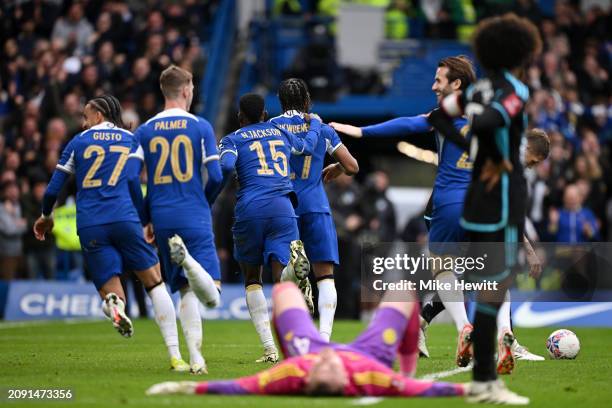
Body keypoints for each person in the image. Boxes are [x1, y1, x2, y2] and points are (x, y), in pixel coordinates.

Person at [331, 56, 478, 365]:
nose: (433, 85)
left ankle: (463, 325)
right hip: (484, 201)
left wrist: (360, 132)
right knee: (490, 270)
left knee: (444, 269)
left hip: (449, 201)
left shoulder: (445, 115)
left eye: (439, 80)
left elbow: (409, 124)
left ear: (457, 84)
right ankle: (503, 332)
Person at [428, 13, 542, 404]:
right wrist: (491, 150)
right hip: (503, 195)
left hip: (474, 196)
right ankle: (486, 377)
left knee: (484, 283)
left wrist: (466, 148)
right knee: (496, 284)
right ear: (520, 51)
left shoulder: (473, 93)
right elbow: (497, 116)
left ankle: (484, 374)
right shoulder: (514, 89)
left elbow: (440, 117)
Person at [33, 95, 186, 372]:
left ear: (100, 115)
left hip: (91, 224)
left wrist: (46, 216)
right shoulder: (131, 140)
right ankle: (175, 355)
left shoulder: (78, 143)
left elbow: (53, 189)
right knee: (154, 283)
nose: (83, 122)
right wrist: (145, 218)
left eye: (85, 115)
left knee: (111, 287)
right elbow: (138, 181)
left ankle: (114, 304)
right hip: (124, 218)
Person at [146, 281, 467, 399]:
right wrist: (477, 389)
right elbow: (431, 389)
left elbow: (238, 386)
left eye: (320, 369)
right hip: (369, 353)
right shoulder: (372, 377)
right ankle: (409, 364)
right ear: (344, 379)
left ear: (308, 376)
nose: (329, 362)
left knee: (284, 292)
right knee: (401, 292)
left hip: (305, 350)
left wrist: (185, 387)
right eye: (331, 368)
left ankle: (297, 295)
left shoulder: (293, 374)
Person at [212, 93, 323, 363]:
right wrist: (317, 124)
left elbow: (226, 166)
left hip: (250, 209)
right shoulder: (279, 132)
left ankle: (270, 349)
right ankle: (290, 271)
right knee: (281, 281)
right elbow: (307, 147)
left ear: (241, 116)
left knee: (252, 279)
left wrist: (212, 192)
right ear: (264, 114)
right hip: (283, 207)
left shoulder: (232, 139)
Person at [131, 65, 223, 374]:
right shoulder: (200, 126)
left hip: (162, 217)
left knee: (185, 291)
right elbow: (218, 175)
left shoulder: (144, 130)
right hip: (194, 212)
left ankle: (196, 358)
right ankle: (189, 263)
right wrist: (204, 201)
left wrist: (146, 216)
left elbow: (131, 178)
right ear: (186, 91)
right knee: (212, 296)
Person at [269, 78, 359, 341]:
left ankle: (291, 338)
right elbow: (352, 167)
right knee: (325, 277)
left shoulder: (271, 128)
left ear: (281, 101)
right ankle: (324, 337)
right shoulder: (322, 129)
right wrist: (338, 167)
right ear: (307, 100)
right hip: (316, 206)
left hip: (284, 207)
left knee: (283, 278)